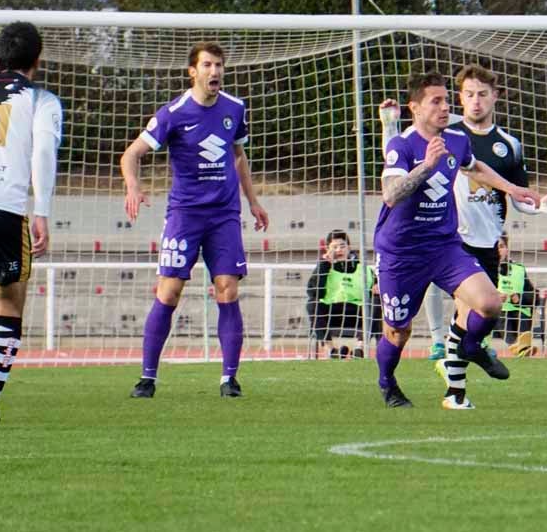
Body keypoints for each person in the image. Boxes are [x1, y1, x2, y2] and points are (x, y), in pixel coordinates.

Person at [380, 63, 547, 402]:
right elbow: (390, 195)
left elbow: (474, 166)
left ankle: (467, 352)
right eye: (436, 101)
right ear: (416, 108)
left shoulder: (456, 139)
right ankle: (387, 382)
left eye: (446, 100)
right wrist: (426, 166)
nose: (445, 107)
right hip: (402, 250)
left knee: (490, 304)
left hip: (445, 246)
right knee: (397, 331)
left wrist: (514, 189)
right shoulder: (401, 146)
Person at [121, 42, 269, 399]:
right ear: (193, 71)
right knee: (169, 292)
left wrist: (253, 201)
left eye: (219, 65)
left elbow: (238, 156)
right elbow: (131, 155)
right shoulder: (173, 112)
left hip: (224, 216)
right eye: (207, 65)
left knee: (228, 289)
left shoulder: (235, 108)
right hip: (185, 215)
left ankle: (229, 379)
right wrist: (133, 187)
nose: (214, 71)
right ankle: (147, 378)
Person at [0, 22, 62, 430]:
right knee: (8, 301)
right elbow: (42, 152)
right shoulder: (40, 100)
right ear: (36, 62)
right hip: (2, 211)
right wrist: (42, 210)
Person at [305, 229, 375, 359]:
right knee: (312, 304)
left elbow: (374, 289)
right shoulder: (323, 268)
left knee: (375, 304)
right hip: (332, 311)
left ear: (349, 247)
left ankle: (359, 348)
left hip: (357, 312)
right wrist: (325, 265)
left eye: (342, 246)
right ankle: (331, 350)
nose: (339, 250)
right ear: (327, 249)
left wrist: (376, 288)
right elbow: (314, 293)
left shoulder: (364, 269)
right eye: (334, 247)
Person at [494, 234, 539, 357]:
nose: (498, 250)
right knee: (502, 315)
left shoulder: (519, 269)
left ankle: (521, 347)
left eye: (501, 246)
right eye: (494, 247)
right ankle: (519, 346)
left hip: (520, 312)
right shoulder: (483, 269)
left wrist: (518, 298)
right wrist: (495, 298)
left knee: (522, 314)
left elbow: (535, 297)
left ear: (507, 249)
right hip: (497, 313)